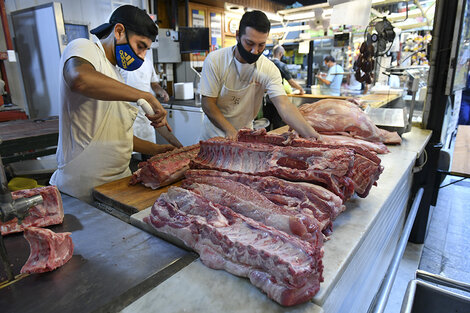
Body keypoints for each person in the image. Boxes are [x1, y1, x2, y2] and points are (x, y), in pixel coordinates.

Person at [50, 5, 174, 203]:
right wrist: (145, 96)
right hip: (82, 189)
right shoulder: (84, 48)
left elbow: (116, 137)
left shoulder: (115, 74)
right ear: (119, 31)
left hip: (118, 185)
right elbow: (79, 79)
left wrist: (157, 150)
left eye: (146, 50)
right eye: (140, 46)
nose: (142, 56)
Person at [199, 10, 320, 140]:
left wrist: (312, 135)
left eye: (261, 45)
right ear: (238, 36)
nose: (254, 51)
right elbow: (208, 103)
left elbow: (284, 105)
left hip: (244, 134)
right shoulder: (216, 60)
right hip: (213, 135)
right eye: (249, 43)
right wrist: (230, 131)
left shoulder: (268, 69)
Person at [121, 51, 170, 143]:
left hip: (146, 112)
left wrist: (162, 91)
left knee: (149, 149)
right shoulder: (122, 62)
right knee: (129, 148)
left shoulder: (148, 62)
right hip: (126, 112)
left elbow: (154, 84)